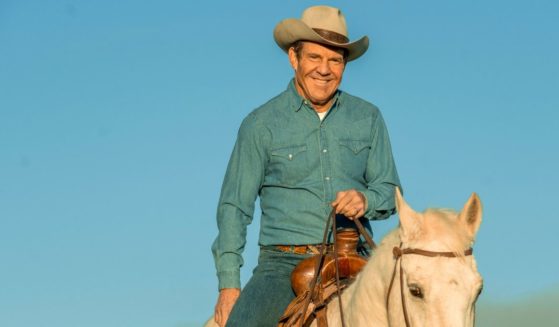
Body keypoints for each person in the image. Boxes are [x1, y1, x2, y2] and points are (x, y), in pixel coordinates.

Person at [210, 5, 401, 327]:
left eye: (335, 60)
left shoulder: (367, 117)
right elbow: (234, 208)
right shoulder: (261, 124)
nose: (325, 70)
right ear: (293, 58)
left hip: (356, 256)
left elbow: (389, 188)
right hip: (283, 262)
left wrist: (366, 200)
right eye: (315, 57)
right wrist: (229, 285)